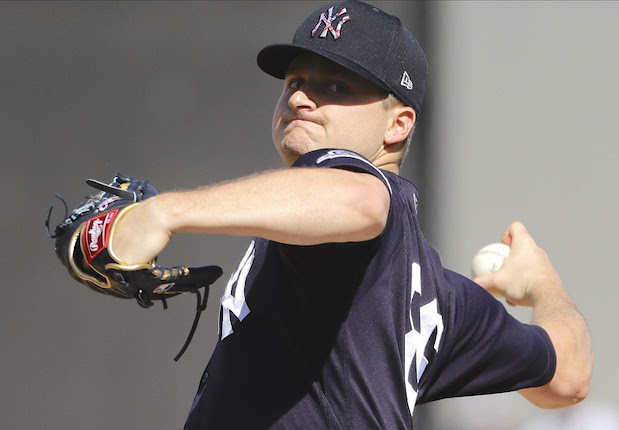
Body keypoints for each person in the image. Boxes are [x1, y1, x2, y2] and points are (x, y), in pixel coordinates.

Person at [111, 1, 593, 428]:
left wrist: (163, 212)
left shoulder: (352, 197)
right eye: (295, 82)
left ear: (397, 125)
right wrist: (544, 286)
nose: (299, 98)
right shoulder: (437, 299)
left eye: (337, 86)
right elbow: (568, 376)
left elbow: (362, 202)